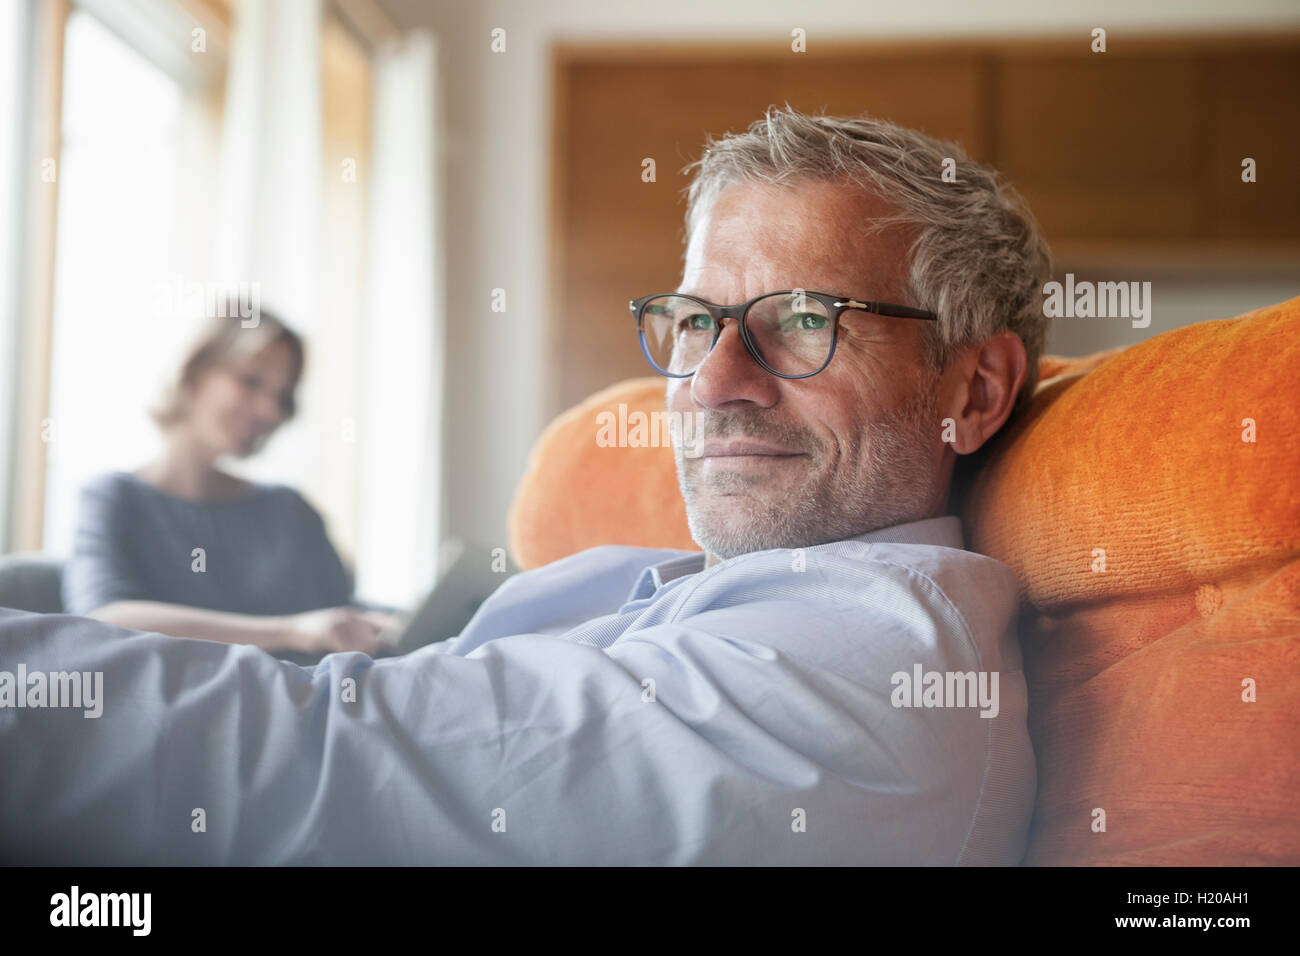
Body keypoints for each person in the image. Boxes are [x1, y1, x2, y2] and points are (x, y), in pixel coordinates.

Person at [0, 107, 1050, 864]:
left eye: (804, 322)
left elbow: (322, 756)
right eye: (694, 321)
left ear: (976, 383)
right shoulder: (727, 589)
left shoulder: (862, 674)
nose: (709, 385)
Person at [60, 305, 395, 656]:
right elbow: (103, 619)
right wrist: (291, 631)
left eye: (282, 396)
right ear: (194, 373)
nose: (270, 411)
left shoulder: (291, 510)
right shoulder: (116, 497)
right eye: (251, 381)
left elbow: (342, 619)